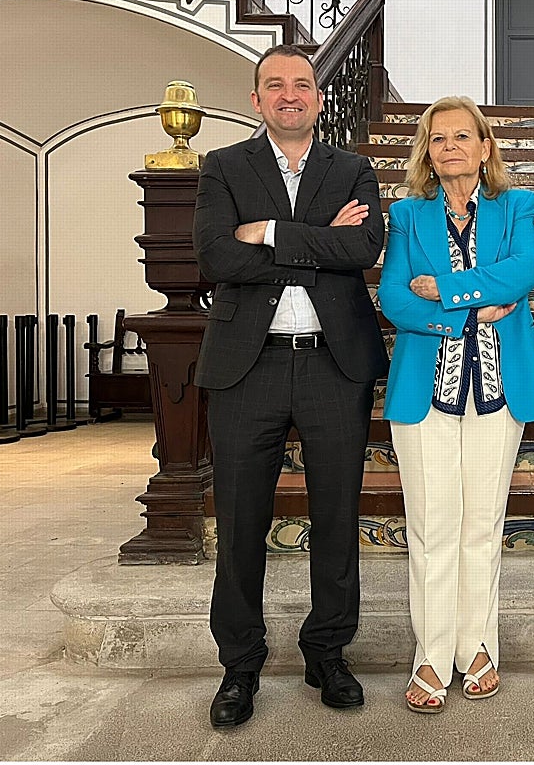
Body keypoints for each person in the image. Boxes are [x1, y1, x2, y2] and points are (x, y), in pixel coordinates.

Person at [193, 43, 387, 728]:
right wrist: (314, 242)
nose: (289, 94)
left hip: (335, 364)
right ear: (257, 99)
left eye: (301, 84)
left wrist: (272, 233)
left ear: (317, 95)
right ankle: (239, 666)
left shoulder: (353, 168)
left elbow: (363, 251)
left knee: (336, 517)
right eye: (273, 85)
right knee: (241, 520)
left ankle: (327, 651)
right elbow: (216, 256)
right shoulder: (222, 167)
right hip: (250, 366)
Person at [377, 96, 534, 714]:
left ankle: (478, 646)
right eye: (438, 137)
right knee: (431, 525)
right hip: (425, 392)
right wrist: (469, 313)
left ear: (484, 147)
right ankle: (430, 652)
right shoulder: (406, 214)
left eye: (462, 136)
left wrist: (448, 291)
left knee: (482, 523)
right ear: (427, 149)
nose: (450, 146)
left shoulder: (516, 206)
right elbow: (395, 298)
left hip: (499, 389)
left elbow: (523, 272)